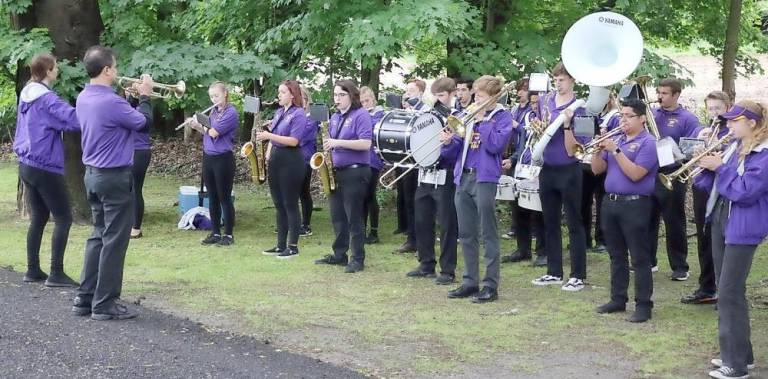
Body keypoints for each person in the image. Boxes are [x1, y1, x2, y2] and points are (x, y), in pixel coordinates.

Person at [72, 46, 153, 320]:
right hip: (114, 176)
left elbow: (117, 121)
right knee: (115, 241)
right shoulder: (110, 101)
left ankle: (84, 298)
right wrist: (145, 97)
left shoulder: (84, 97)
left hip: (92, 175)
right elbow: (143, 123)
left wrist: (127, 100)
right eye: (115, 67)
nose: (118, 72)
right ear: (106, 70)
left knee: (97, 235)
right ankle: (104, 303)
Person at [694, 100, 768, 379]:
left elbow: (745, 192)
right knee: (730, 292)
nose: (728, 125)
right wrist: (704, 166)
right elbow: (713, 186)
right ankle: (741, 355)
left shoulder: (764, 155)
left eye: (734, 121)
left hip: (744, 225)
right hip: (722, 218)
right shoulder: (735, 147)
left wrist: (719, 169)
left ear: (752, 123)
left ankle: (735, 365)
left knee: (728, 292)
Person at [445, 75, 514, 303]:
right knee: (466, 233)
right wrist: (448, 142)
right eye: (476, 95)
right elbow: (460, 147)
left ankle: (490, 285)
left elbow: (496, 146)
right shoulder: (470, 115)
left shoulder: (502, 117)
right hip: (463, 177)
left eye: (482, 96)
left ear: (493, 97)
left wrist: (483, 121)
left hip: (484, 178)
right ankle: (469, 281)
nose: (477, 100)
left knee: (488, 232)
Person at [14, 53, 80, 287]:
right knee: (64, 218)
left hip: (27, 164)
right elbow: (74, 120)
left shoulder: (26, 93)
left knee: (39, 218)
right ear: (49, 71)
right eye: (56, 67)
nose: (58, 69)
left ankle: (32, 269)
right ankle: (56, 273)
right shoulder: (47, 99)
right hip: (45, 165)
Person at [591, 98, 658, 323]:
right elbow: (597, 170)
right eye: (622, 116)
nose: (624, 120)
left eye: (629, 116)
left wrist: (617, 151)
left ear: (642, 119)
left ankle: (643, 304)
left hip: (635, 203)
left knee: (639, 257)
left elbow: (636, 174)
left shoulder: (648, 142)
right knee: (616, 255)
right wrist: (597, 151)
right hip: (611, 203)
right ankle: (618, 299)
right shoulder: (616, 138)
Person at [531, 62, 589, 292]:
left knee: (574, 223)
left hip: (569, 170)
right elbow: (536, 124)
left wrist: (566, 126)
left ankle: (578, 275)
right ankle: (554, 271)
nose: (558, 82)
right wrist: (535, 127)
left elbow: (574, 149)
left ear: (573, 81)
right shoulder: (545, 101)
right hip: (548, 168)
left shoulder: (580, 109)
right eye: (556, 78)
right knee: (550, 222)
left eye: (563, 79)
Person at [314, 80, 373, 273]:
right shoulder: (336, 118)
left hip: (355, 171)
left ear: (351, 95)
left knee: (353, 216)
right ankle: (339, 254)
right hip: (337, 171)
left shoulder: (361, 115)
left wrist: (337, 142)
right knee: (337, 215)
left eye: (341, 95)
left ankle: (357, 258)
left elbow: (365, 143)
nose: (337, 99)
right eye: (335, 95)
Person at [406, 77, 460, 285]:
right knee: (422, 220)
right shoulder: (428, 115)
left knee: (447, 224)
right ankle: (426, 263)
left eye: (441, 96)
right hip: (425, 173)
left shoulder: (457, 117)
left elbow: (457, 150)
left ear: (452, 94)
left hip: (445, 175)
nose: (437, 100)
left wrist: (448, 142)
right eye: (435, 96)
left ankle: (447, 269)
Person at [682, 90, 731, 305]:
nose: (714, 113)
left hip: (720, 190)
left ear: (727, 108)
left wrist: (719, 147)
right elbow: (688, 155)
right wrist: (696, 145)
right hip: (702, 187)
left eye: (718, 108)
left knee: (720, 241)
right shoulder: (704, 129)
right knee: (703, 238)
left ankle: (723, 290)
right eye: (710, 109)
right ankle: (707, 286)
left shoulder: (732, 131)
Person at [651, 78, 702, 280]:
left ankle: (680, 266)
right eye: (659, 92)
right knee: (647, 219)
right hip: (651, 172)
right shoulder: (652, 114)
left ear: (676, 95)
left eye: (664, 93)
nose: (660, 97)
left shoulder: (687, 119)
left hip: (674, 172)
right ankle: (648, 261)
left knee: (674, 221)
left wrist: (675, 152)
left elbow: (692, 148)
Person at [258, 80, 308, 258]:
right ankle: (280, 245)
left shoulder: (299, 114)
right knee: (279, 204)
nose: (279, 95)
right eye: (279, 92)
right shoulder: (280, 112)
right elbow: (277, 138)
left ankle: (293, 246)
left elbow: (294, 140)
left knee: (290, 204)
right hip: (277, 160)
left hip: (291, 161)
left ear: (292, 95)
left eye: (282, 92)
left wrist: (269, 135)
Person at [501, 79, 546, 267]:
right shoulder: (529, 118)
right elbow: (523, 142)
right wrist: (515, 160)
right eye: (533, 103)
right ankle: (523, 249)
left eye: (538, 104)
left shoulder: (548, 120)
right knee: (519, 209)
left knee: (540, 212)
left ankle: (543, 251)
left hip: (540, 168)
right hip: (523, 166)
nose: (535, 107)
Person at [188, 82, 239, 247]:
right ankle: (215, 232)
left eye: (216, 96)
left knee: (224, 197)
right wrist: (198, 127)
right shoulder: (213, 111)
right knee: (213, 197)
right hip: (209, 157)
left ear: (225, 94)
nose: (214, 99)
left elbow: (214, 132)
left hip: (223, 158)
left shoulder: (231, 113)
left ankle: (229, 235)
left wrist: (199, 124)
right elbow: (207, 132)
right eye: (211, 96)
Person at [360, 86, 384, 244]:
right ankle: (361, 230)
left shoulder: (379, 114)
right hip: (361, 158)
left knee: (369, 195)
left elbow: (373, 130)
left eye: (367, 100)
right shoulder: (362, 115)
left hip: (373, 159)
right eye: (361, 102)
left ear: (373, 99)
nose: (364, 104)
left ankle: (374, 232)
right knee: (361, 195)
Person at [129, 94, 152, 239]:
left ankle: (136, 228)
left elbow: (143, 123)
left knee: (135, 189)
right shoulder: (128, 107)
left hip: (139, 151)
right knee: (127, 189)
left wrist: (144, 96)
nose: (128, 92)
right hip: (128, 150)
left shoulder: (144, 109)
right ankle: (128, 224)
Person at [297, 86, 319, 237]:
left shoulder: (312, 116)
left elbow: (302, 137)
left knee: (303, 191)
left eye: (303, 99)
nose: (301, 102)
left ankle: (306, 224)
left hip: (305, 158)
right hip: (291, 158)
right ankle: (291, 222)